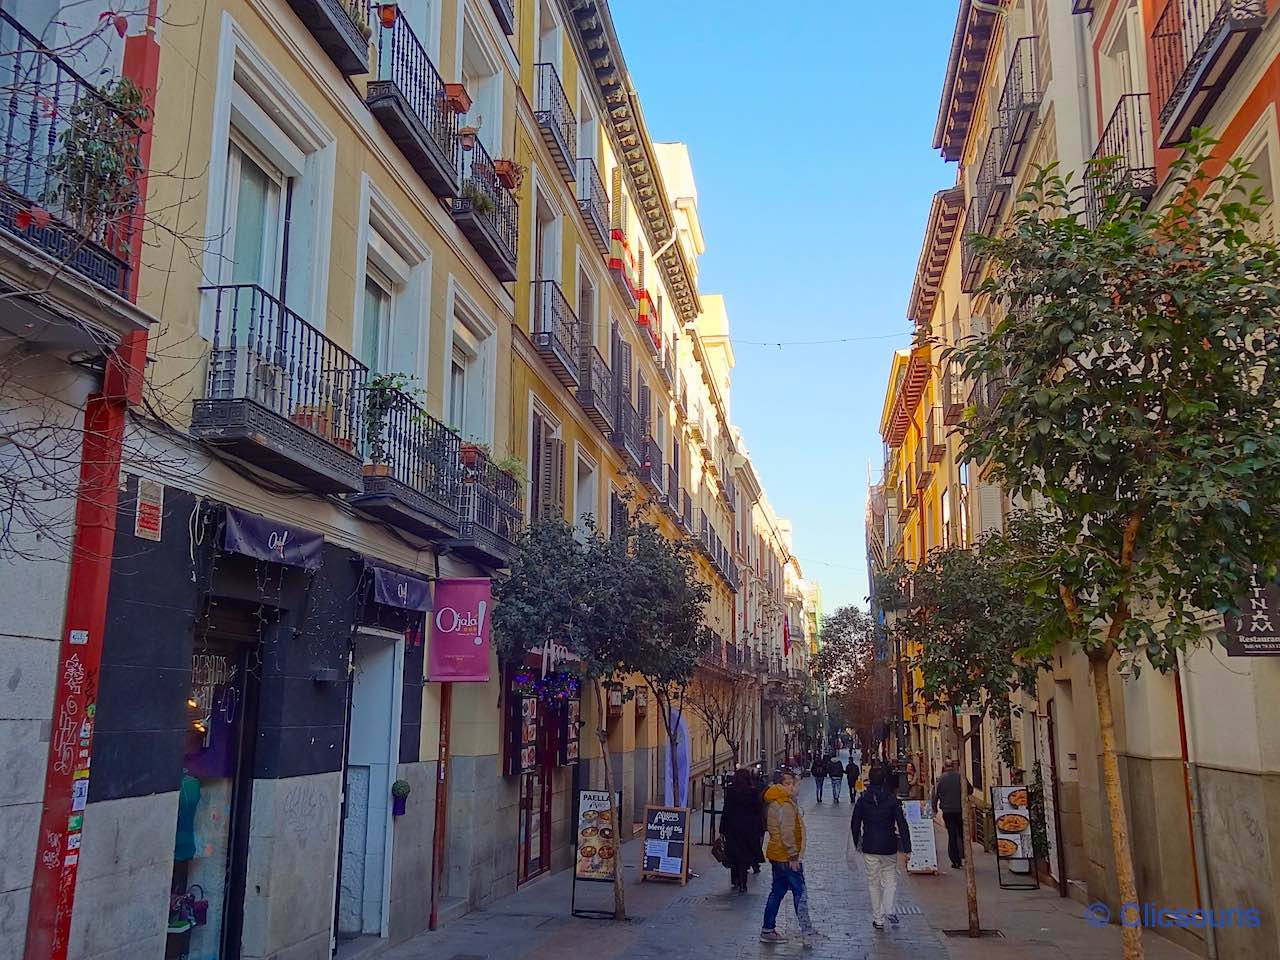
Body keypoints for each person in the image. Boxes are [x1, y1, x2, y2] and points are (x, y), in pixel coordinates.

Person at [850, 764, 912, 931]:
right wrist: (907, 848)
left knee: (873, 882)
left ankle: (878, 918)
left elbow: (855, 824)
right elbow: (902, 824)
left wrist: (857, 842)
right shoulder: (892, 800)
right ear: (884, 780)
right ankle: (889, 908)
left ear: (870, 780)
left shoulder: (863, 800)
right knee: (890, 881)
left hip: (870, 846)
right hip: (888, 845)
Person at [759, 771, 818, 945]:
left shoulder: (779, 802)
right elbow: (787, 833)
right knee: (800, 892)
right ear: (787, 785)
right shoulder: (784, 804)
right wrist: (793, 856)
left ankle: (767, 929)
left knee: (777, 891)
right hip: (786, 857)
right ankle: (806, 930)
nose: (798, 788)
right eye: (796, 784)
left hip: (778, 854)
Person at [721, 768, 765, 893]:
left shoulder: (731, 791)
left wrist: (722, 829)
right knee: (744, 856)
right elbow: (758, 811)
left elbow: (727, 810)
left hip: (733, 828)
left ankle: (735, 879)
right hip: (748, 829)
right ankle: (743, 884)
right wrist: (759, 828)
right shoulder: (753, 792)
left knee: (734, 854)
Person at [933, 760, 970, 870]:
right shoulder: (961, 777)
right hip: (960, 810)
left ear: (945, 766)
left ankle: (955, 861)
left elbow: (936, 795)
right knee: (962, 834)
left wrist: (934, 808)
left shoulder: (941, 779)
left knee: (952, 835)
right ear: (953, 766)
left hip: (947, 811)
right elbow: (970, 790)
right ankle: (964, 856)